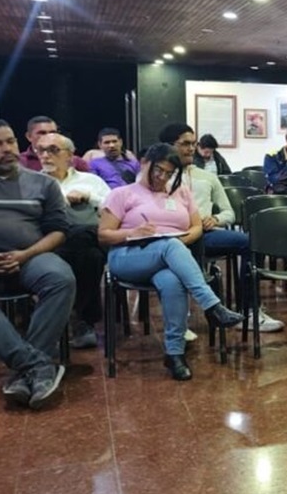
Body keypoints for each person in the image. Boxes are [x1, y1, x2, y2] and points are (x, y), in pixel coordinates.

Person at [98, 143, 244, 380]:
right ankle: (212, 305)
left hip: (171, 257)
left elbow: (196, 226)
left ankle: (174, 354)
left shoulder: (181, 192)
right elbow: (103, 235)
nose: (162, 177)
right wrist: (132, 233)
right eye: (158, 170)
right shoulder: (122, 194)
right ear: (145, 163)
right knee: (170, 247)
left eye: (168, 173)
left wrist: (180, 244)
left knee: (172, 279)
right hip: (128, 256)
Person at [159, 123, 283, 333]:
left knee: (250, 242)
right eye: (185, 144)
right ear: (169, 146)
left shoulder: (206, 177)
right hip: (171, 238)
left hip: (205, 234)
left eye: (193, 144)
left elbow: (229, 213)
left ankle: (250, 311)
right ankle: (180, 319)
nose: (191, 148)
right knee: (179, 246)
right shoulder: (158, 176)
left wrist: (215, 219)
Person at [0, 119, 74, 409]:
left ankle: (25, 370)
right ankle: (35, 366)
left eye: (10, 141)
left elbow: (58, 231)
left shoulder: (44, 183)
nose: (6, 149)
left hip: (32, 258)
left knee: (61, 279)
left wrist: (24, 255)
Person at [36, 132, 109, 349]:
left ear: (69, 155)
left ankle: (67, 319)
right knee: (89, 253)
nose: (46, 155)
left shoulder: (92, 181)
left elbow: (114, 209)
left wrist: (89, 197)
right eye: (41, 150)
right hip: (48, 245)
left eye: (53, 150)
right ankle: (84, 321)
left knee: (86, 241)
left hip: (90, 240)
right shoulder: (34, 183)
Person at [19, 115, 90, 172]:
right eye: (42, 133)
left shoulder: (76, 161)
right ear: (29, 136)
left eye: (52, 132)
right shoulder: (19, 162)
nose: (48, 136)